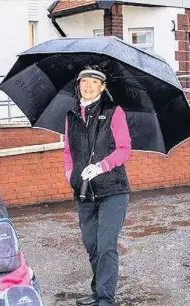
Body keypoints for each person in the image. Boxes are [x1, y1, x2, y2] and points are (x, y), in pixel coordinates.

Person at [64, 67, 131, 306]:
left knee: (106, 246)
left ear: (103, 87)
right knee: (92, 246)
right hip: (84, 192)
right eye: (84, 81)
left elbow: (124, 149)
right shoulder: (71, 115)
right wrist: (70, 173)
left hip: (113, 190)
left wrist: (101, 166)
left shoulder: (114, 112)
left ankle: (105, 299)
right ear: (79, 84)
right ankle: (97, 290)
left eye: (94, 82)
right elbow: (68, 150)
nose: (88, 86)